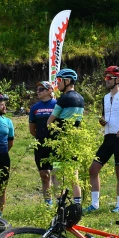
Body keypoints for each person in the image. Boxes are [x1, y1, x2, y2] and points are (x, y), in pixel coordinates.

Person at [86, 66, 119, 214]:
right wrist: (103, 121)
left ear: (118, 80)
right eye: (105, 77)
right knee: (93, 169)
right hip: (107, 139)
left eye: (109, 78)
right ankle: (95, 204)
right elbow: (106, 116)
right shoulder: (105, 98)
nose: (105, 80)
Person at [46, 68, 85, 203]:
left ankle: (59, 203)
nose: (58, 84)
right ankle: (77, 203)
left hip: (61, 141)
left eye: (59, 81)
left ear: (68, 81)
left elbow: (49, 121)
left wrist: (53, 130)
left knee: (56, 173)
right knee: (74, 173)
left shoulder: (63, 99)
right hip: (74, 140)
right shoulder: (81, 98)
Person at [29, 81, 58, 207]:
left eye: (41, 89)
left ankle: (59, 202)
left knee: (57, 173)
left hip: (56, 145)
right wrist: (41, 138)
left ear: (49, 90)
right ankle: (48, 203)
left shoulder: (57, 105)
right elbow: (32, 129)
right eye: (38, 89)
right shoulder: (35, 108)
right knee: (44, 174)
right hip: (41, 145)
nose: (38, 91)